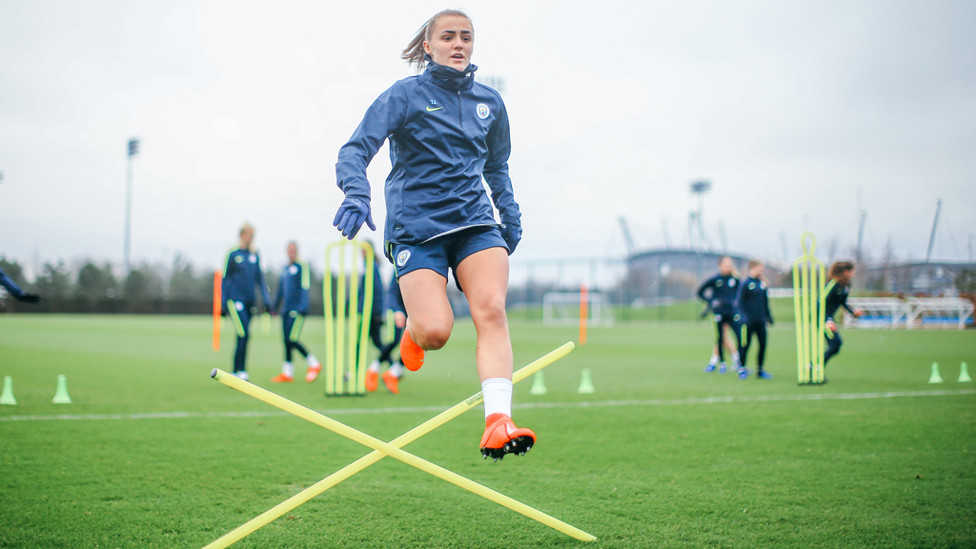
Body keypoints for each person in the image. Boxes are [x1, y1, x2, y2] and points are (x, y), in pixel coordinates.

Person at [332, 9, 532, 460]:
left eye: (466, 37)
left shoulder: (491, 103)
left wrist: (510, 216)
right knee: (437, 332)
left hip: (476, 223)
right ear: (428, 46)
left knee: (492, 309)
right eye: (448, 37)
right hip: (417, 228)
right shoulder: (404, 96)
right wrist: (357, 195)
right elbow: (356, 149)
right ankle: (416, 330)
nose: (458, 44)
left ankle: (498, 420)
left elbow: (497, 167)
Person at [221, 223, 273, 381]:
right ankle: (240, 370)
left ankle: (236, 371)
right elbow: (226, 279)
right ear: (242, 235)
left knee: (243, 336)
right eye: (249, 234)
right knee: (243, 332)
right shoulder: (233, 254)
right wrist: (223, 303)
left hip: (250, 301)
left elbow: (260, 280)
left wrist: (267, 301)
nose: (251, 237)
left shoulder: (255, 255)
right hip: (235, 300)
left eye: (253, 235)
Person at [270, 241, 322, 383]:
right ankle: (287, 373)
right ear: (286, 251)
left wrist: (303, 307)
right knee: (286, 341)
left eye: (294, 250)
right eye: (289, 250)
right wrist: (273, 307)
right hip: (285, 310)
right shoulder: (285, 268)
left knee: (292, 339)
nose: (291, 252)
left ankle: (314, 364)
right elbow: (280, 290)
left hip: (297, 309)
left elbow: (305, 286)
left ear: (297, 251)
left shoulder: (302, 266)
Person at [697, 256, 743, 375]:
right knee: (721, 337)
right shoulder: (715, 279)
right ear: (720, 265)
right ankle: (731, 360)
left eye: (730, 264)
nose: (729, 266)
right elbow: (700, 291)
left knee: (727, 337)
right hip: (719, 313)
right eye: (726, 264)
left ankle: (720, 361)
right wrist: (711, 302)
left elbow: (741, 294)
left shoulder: (735, 280)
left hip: (732, 313)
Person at [365, 274, 407, 394]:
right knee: (393, 340)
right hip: (395, 310)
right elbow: (392, 292)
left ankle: (393, 373)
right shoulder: (400, 264)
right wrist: (397, 310)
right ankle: (373, 369)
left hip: (411, 309)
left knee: (416, 343)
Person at [735, 260, 774, 379]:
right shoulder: (745, 283)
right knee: (745, 344)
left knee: (763, 344)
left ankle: (760, 369)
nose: (762, 271)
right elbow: (739, 302)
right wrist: (743, 317)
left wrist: (769, 317)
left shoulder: (763, 284)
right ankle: (742, 368)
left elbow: (765, 302)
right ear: (753, 267)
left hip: (760, 320)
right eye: (760, 268)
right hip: (748, 321)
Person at [823, 260, 862, 369]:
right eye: (852, 271)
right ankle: (814, 367)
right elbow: (821, 302)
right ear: (846, 271)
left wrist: (853, 313)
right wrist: (827, 320)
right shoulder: (833, 284)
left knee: (835, 345)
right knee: (835, 344)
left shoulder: (846, 285)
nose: (853, 274)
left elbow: (842, 302)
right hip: (822, 318)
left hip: (830, 318)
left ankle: (815, 367)